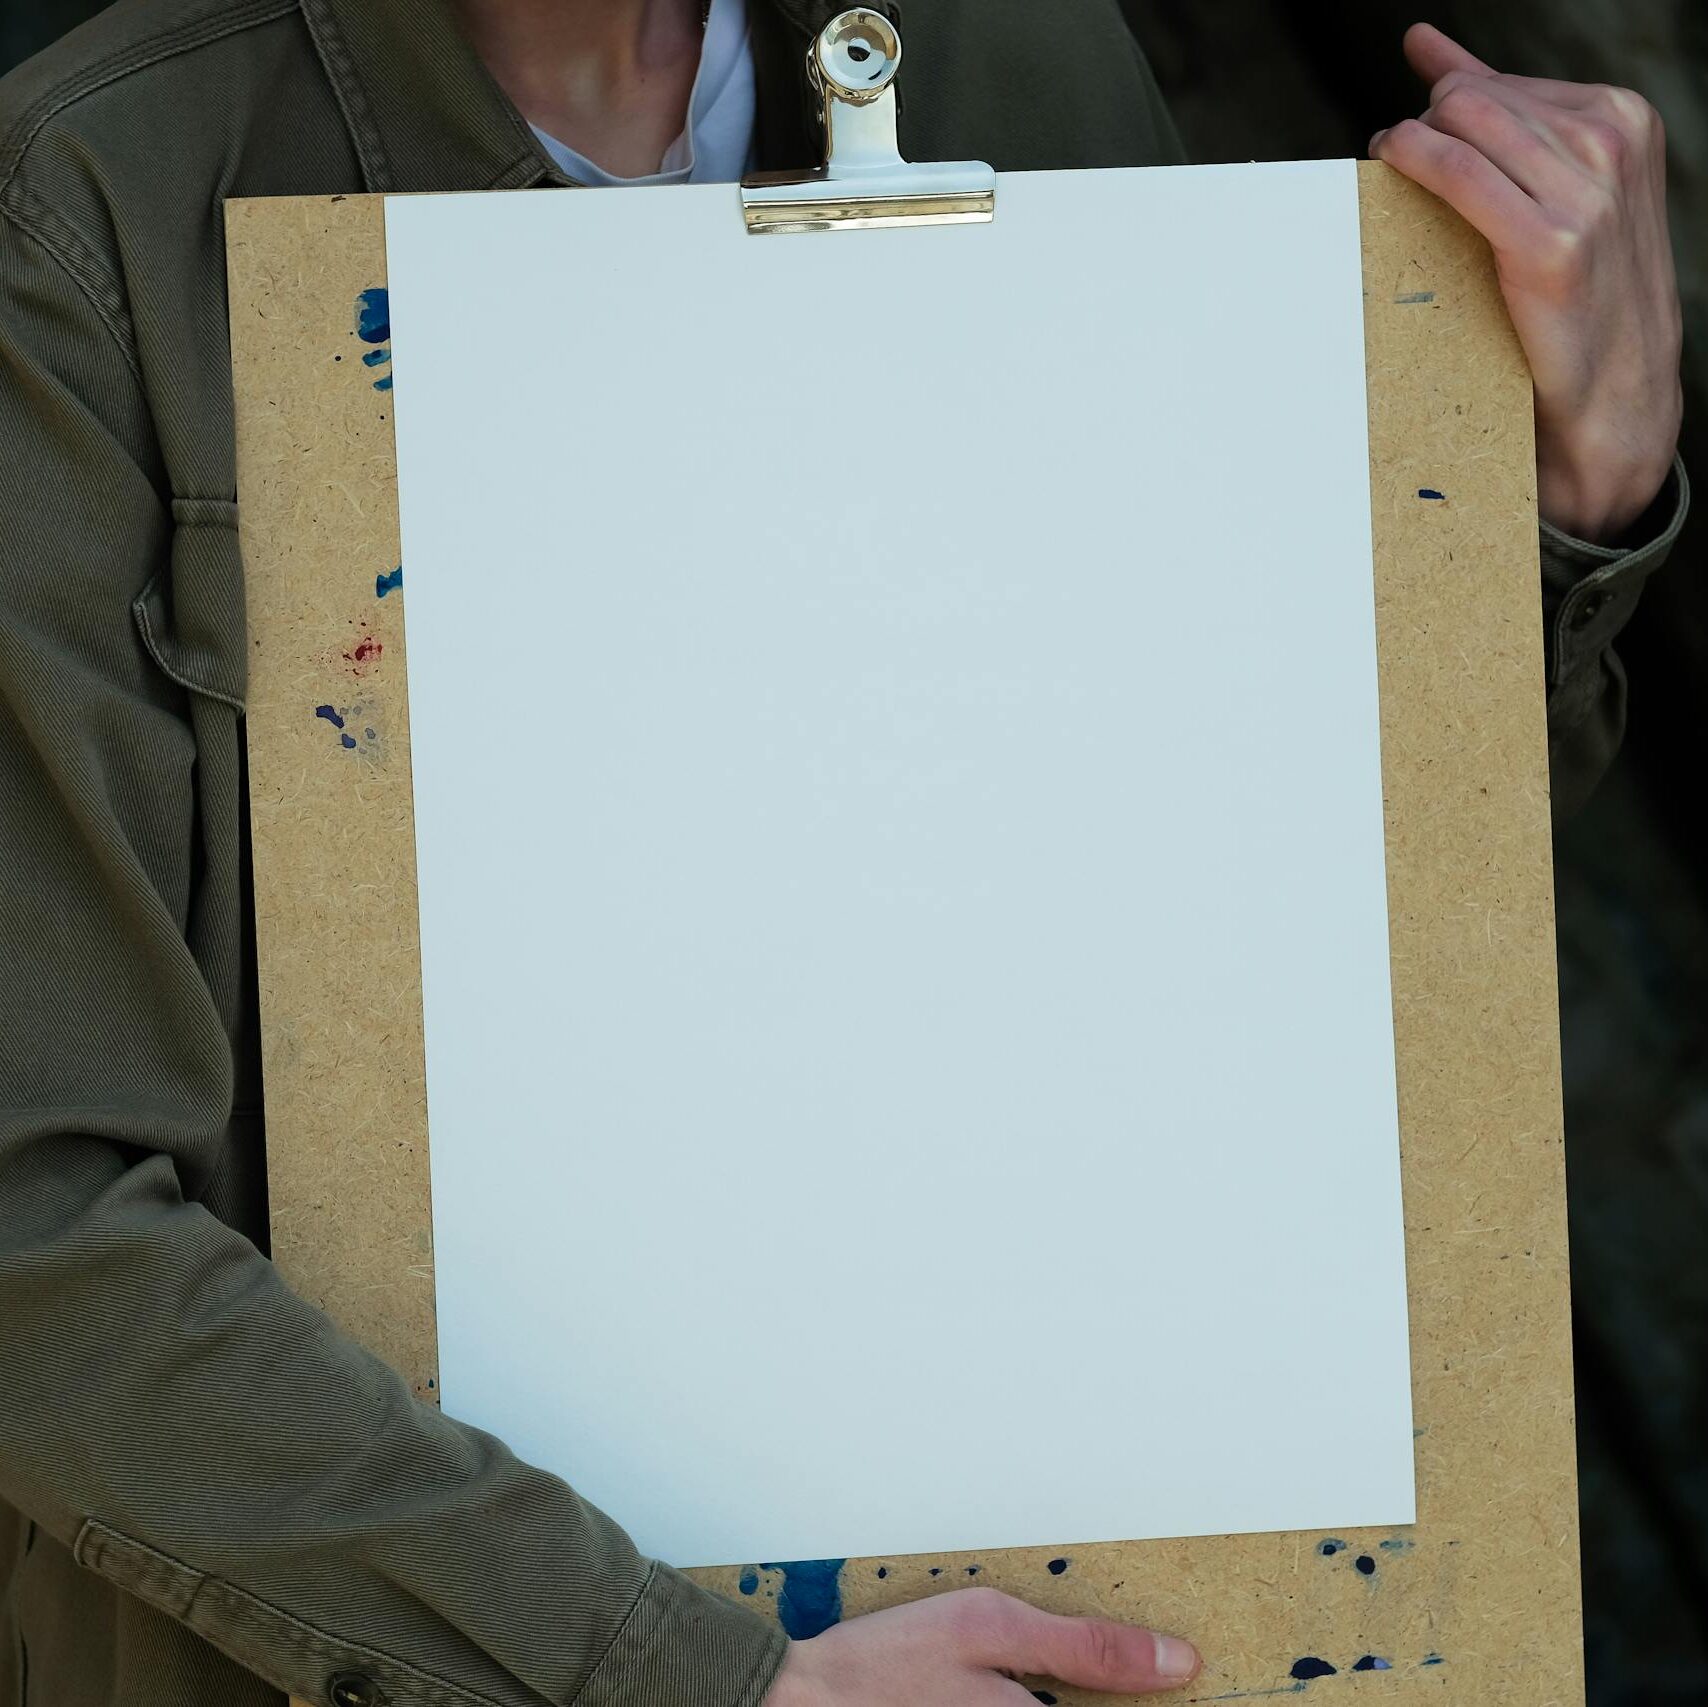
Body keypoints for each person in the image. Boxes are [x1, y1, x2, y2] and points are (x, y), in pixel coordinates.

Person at [0, 1, 1687, 1703]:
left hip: (1113, 1629)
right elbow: (35, 1237)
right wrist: (709, 1687)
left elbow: (1280, 936)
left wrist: (1551, 504)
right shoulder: (89, 206)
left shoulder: (1027, 64)